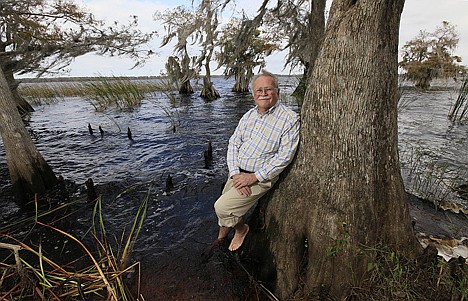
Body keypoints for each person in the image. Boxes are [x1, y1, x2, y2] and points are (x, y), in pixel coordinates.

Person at [213, 70, 300, 251]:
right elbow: (233, 143)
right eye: (258, 90)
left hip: (260, 178)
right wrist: (235, 173)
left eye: (268, 89)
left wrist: (253, 177)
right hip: (237, 173)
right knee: (225, 203)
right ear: (253, 94)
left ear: (277, 91)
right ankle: (221, 237)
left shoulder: (289, 119)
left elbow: (284, 157)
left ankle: (241, 229)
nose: (263, 93)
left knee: (222, 207)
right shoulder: (249, 115)